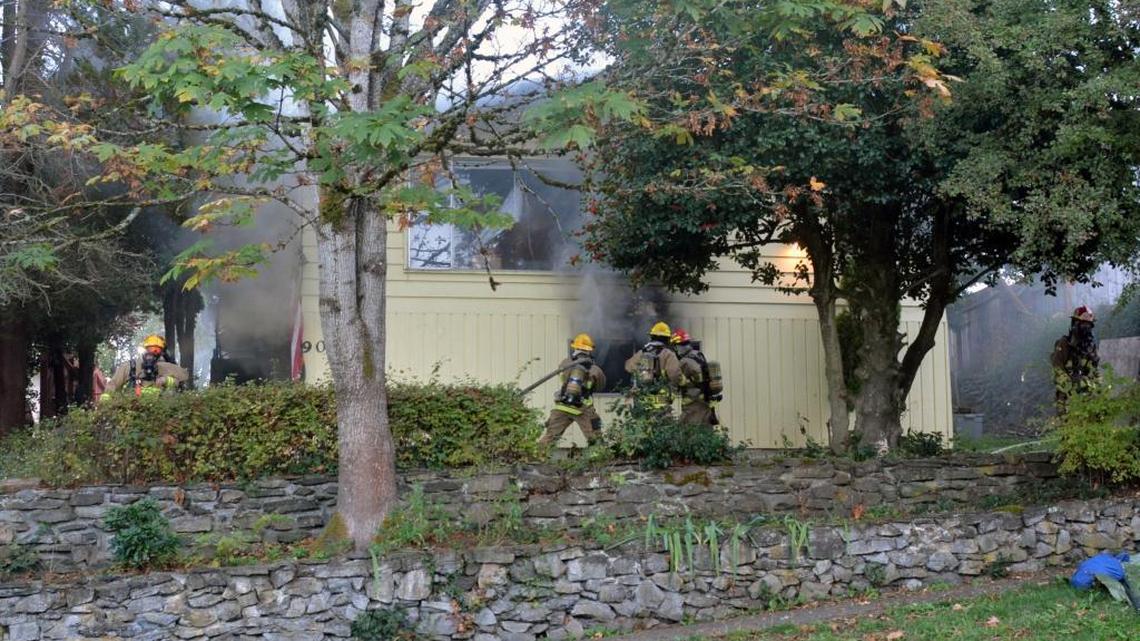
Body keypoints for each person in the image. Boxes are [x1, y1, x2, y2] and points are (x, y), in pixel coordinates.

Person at [538, 333, 607, 446]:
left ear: (575, 348)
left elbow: (562, 377)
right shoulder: (595, 370)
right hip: (583, 408)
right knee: (595, 438)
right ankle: (599, 455)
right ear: (589, 351)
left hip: (563, 405)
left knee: (549, 437)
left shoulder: (565, 363)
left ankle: (536, 455)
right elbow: (600, 386)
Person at [101, 335, 189, 401]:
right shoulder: (129, 367)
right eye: (150, 349)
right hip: (130, 412)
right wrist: (106, 405)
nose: (152, 352)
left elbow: (182, 378)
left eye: (156, 350)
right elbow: (112, 386)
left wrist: (166, 380)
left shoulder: (164, 367)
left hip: (157, 413)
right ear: (144, 350)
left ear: (161, 353)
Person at [624, 321, 682, 414]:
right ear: (667, 338)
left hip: (642, 402)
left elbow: (628, 367)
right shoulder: (668, 354)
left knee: (643, 423)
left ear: (652, 337)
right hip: (661, 402)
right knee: (662, 423)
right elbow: (675, 375)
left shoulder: (642, 352)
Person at [1051, 306, 1100, 412]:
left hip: (1087, 397)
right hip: (1067, 397)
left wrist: (1097, 387)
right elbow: (1057, 367)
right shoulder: (1064, 343)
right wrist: (1071, 385)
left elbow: (1095, 371)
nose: (1086, 328)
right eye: (1084, 324)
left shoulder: (1091, 347)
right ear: (1075, 324)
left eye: (1089, 325)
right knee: (1067, 420)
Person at [671, 328, 721, 426]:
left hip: (692, 405)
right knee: (705, 430)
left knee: (687, 430)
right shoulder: (698, 354)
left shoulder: (684, 362)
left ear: (677, 346)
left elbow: (677, 381)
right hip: (706, 403)